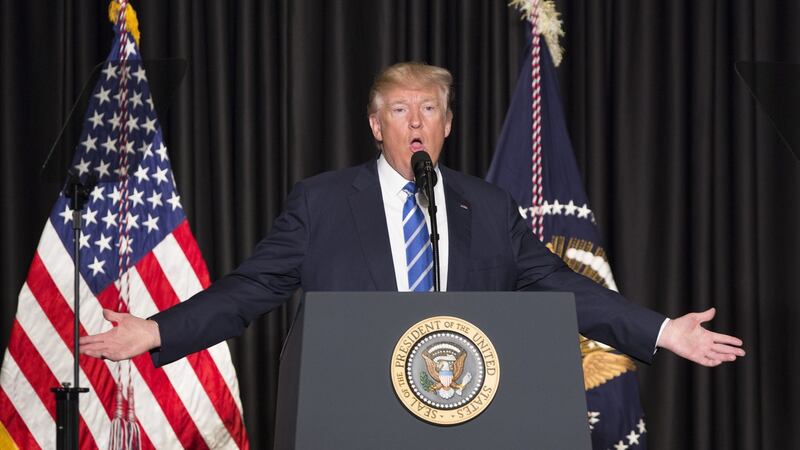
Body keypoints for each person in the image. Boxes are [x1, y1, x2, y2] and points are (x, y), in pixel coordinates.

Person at [80, 62, 744, 369]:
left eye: (429, 108)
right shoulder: (322, 202)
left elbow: (561, 288)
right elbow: (252, 289)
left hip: (469, 416)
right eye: (400, 109)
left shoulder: (487, 208)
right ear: (376, 125)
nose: (415, 121)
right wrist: (158, 332)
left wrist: (661, 331)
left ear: (448, 125)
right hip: (353, 416)